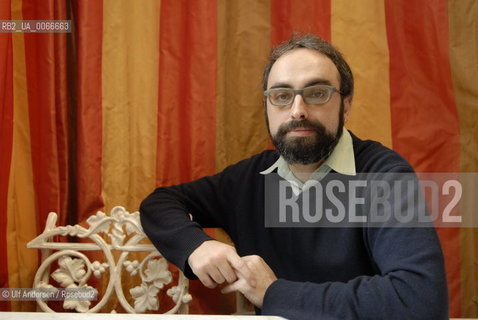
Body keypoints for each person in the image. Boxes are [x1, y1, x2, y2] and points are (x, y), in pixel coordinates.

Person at [140, 34, 448, 320]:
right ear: (268, 106)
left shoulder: (384, 175)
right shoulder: (249, 179)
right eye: (282, 95)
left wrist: (274, 293)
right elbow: (161, 202)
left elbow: (419, 301)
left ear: (346, 105)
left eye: (316, 93)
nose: (297, 110)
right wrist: (195, 245)